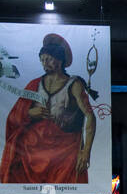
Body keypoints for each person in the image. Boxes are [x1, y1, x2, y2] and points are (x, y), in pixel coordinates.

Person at [0, 33, 98, 184]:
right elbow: (14, 116)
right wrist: (30, 113)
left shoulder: (74, 84)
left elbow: (90, 116)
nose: (44, 63)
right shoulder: (34, 84)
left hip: (64, 148)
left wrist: (86, 152)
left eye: (48, 59)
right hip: (32, 146)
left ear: (60, 60)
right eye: (42, 60)